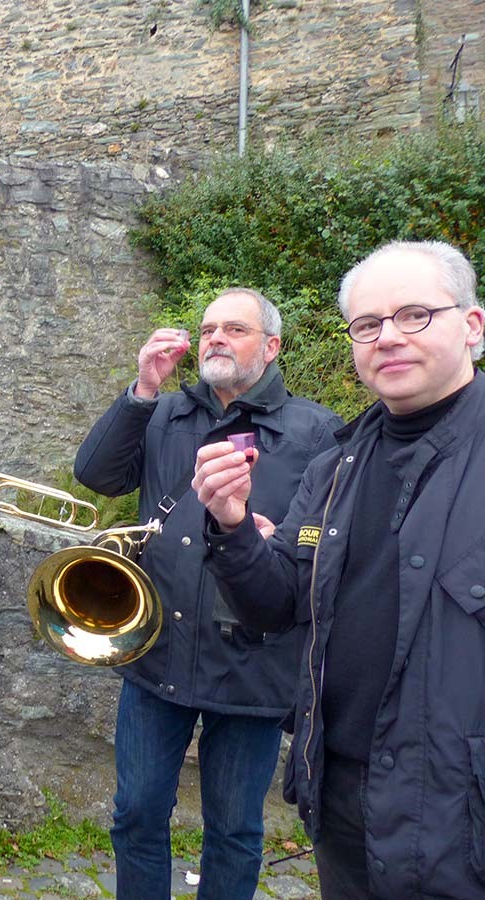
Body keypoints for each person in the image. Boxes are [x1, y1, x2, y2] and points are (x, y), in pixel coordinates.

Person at [193, 241, 485, 899]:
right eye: (367, 324)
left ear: (472, 325)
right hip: (341, 802)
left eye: (414, 315)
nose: (389, 337)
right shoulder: (334, 465)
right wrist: (233, 528)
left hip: (461, 816)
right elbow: (278, 604)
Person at [74, 287, 342, 899]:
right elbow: (96, 475)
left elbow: (329, 535)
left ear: (271, 347)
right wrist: (142, 391)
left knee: (234, 831)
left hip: (253, 664)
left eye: (235, 329)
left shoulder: (316, 430)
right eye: (208, 329)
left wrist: (283, 540)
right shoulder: (163, 412)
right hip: (157, 653)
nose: (216, 338)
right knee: (135, 814)